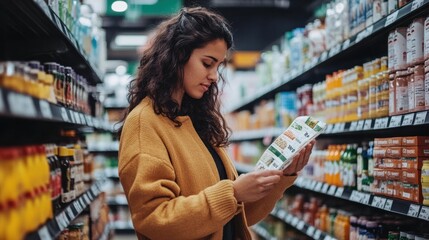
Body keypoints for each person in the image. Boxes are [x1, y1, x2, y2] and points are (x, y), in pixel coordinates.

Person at [117, 6, 315, 240]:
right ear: (177, 56)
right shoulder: (145, 123)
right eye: (207, 63)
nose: (213, 76)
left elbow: (236, 217)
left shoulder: (198, 123)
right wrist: (232, 192)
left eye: (218, 66)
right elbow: (155, 218)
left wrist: (281, 178)